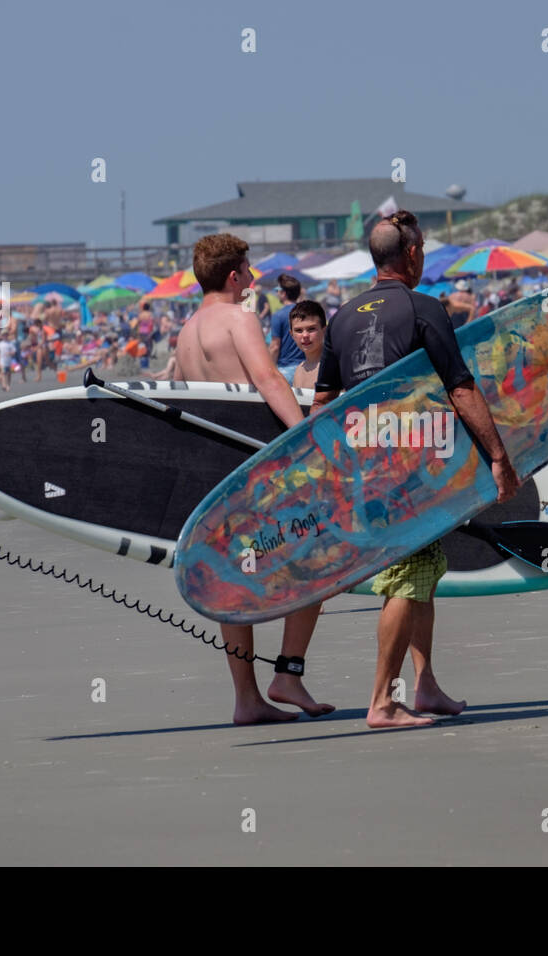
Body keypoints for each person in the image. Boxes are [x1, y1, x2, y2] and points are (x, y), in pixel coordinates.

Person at [311, 210, 520, 729]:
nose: (423, 256)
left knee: (423, 571)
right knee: (407, 575)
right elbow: (461, 387)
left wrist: (331, 472)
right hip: (408, 469)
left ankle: (424, 686)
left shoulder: (341, 318)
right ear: (409, 255)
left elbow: (321, 406)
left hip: (364, 464)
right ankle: (381, 702)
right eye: (421, 248)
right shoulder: (424, 308)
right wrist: (498, 456)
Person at [173, 234, 331, 725]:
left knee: (231, 580)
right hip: (255, 465)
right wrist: (306, 435)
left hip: (211, 467)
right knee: (314, 554)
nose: (254, 277)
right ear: (234, 276)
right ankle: (288, 674)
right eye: (249, 269)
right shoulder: (240, 318)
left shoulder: (185, 331)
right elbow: (267, 378)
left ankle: (246, 698)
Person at [267, 274, 306, 382]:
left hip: (286, 369)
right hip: (306, 368)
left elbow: (275, 347)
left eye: (277, 290)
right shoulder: (307, 312)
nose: (276, 293)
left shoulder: (278, 315)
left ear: (284, 293)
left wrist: (269, 370)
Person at [289, 300, 326, 391]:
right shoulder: (299, 370)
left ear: (324, 331)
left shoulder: (334, 368)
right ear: (292, 334)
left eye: (311, 329)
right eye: (299, 330)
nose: (305, 335)